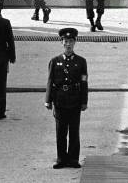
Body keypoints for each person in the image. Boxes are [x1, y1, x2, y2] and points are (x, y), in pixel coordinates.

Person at [45, 28, 88, 169]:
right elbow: (50, 81)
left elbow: (84, 82)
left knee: (74, 131)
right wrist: (48, 100)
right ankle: (61, 159)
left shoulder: (81, 62)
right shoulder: (55, 61)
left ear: (75, 43)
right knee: (61, 132)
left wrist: (84, 101)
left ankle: (73, 159)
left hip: (75, 101)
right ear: (61, 43)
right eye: (66, 41)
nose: (68, 44)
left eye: (71, 41)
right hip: (60, 101)